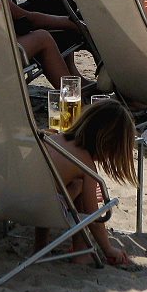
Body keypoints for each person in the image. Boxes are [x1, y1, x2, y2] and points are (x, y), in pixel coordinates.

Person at [35, 99, 136, 265]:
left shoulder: (54, 139)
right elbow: (92, 216)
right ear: (106, 143)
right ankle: (81, 252)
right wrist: (108, 249)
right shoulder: (85, 164)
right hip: (43, 211)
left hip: (14, 200)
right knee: (79, 186)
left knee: (54, 187)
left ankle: (40, 247)